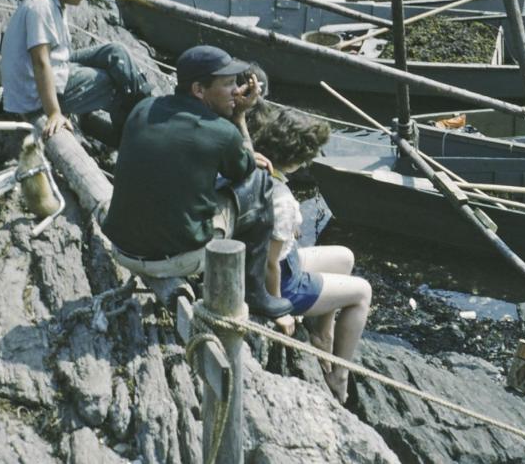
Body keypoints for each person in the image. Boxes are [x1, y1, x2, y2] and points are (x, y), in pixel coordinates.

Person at [102, 45, 292, 319]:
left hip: (122, 250)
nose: (237, 91)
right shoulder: (222, 132)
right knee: (261, 182)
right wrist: (239, 116)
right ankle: (255, 292)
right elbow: (247, 171)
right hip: (174, 262)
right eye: (228, 84)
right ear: (199, 90)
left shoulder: (144, 108)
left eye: (237, 83)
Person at [253, 105, 372, 404]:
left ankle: (323, 334)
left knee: (344, 257)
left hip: (281, 262)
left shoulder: (255, 166)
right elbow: (270, 264)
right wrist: (279, 308)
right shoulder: (281, 199)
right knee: (362, 292)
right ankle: (338, 375)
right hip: (281, 282)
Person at [0, 0, 150, 139]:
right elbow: (40, 63)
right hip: (33, 95)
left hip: (55, 68)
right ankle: (135, 138)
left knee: (115, 52)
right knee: (112, 85)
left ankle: (145, 104)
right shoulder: (41, 7)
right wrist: (54, 113)